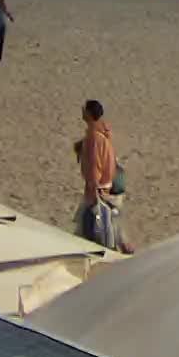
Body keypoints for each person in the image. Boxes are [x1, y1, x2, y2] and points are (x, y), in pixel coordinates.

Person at [74, 100, 132, 252]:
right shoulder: (101, 133)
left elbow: (94, 165)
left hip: (99, 192)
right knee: (115, 230)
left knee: (89, 233)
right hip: (108, 190)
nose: (82, 111)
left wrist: (94, 191)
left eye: (84, 109)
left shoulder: (94, 137)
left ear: (88, 113)